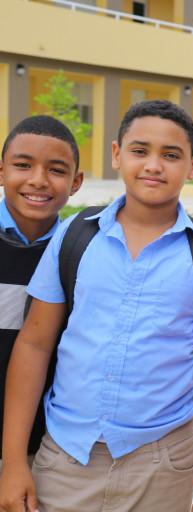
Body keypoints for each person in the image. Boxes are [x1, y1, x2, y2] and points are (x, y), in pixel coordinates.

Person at [0, 100, 193, 512]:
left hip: (165, 462)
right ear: (117, 155)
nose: (153, 165)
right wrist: (13, 463)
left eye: (171, 155)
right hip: (65, 456)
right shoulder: (75, 237)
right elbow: (34, 346)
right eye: (140, 150)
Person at [0, 116, 83, 475]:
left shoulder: (82, 254)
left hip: (44, 447)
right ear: (1, 171)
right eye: (22, 165)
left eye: (56, 170)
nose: (38, 180)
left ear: (76, 182)